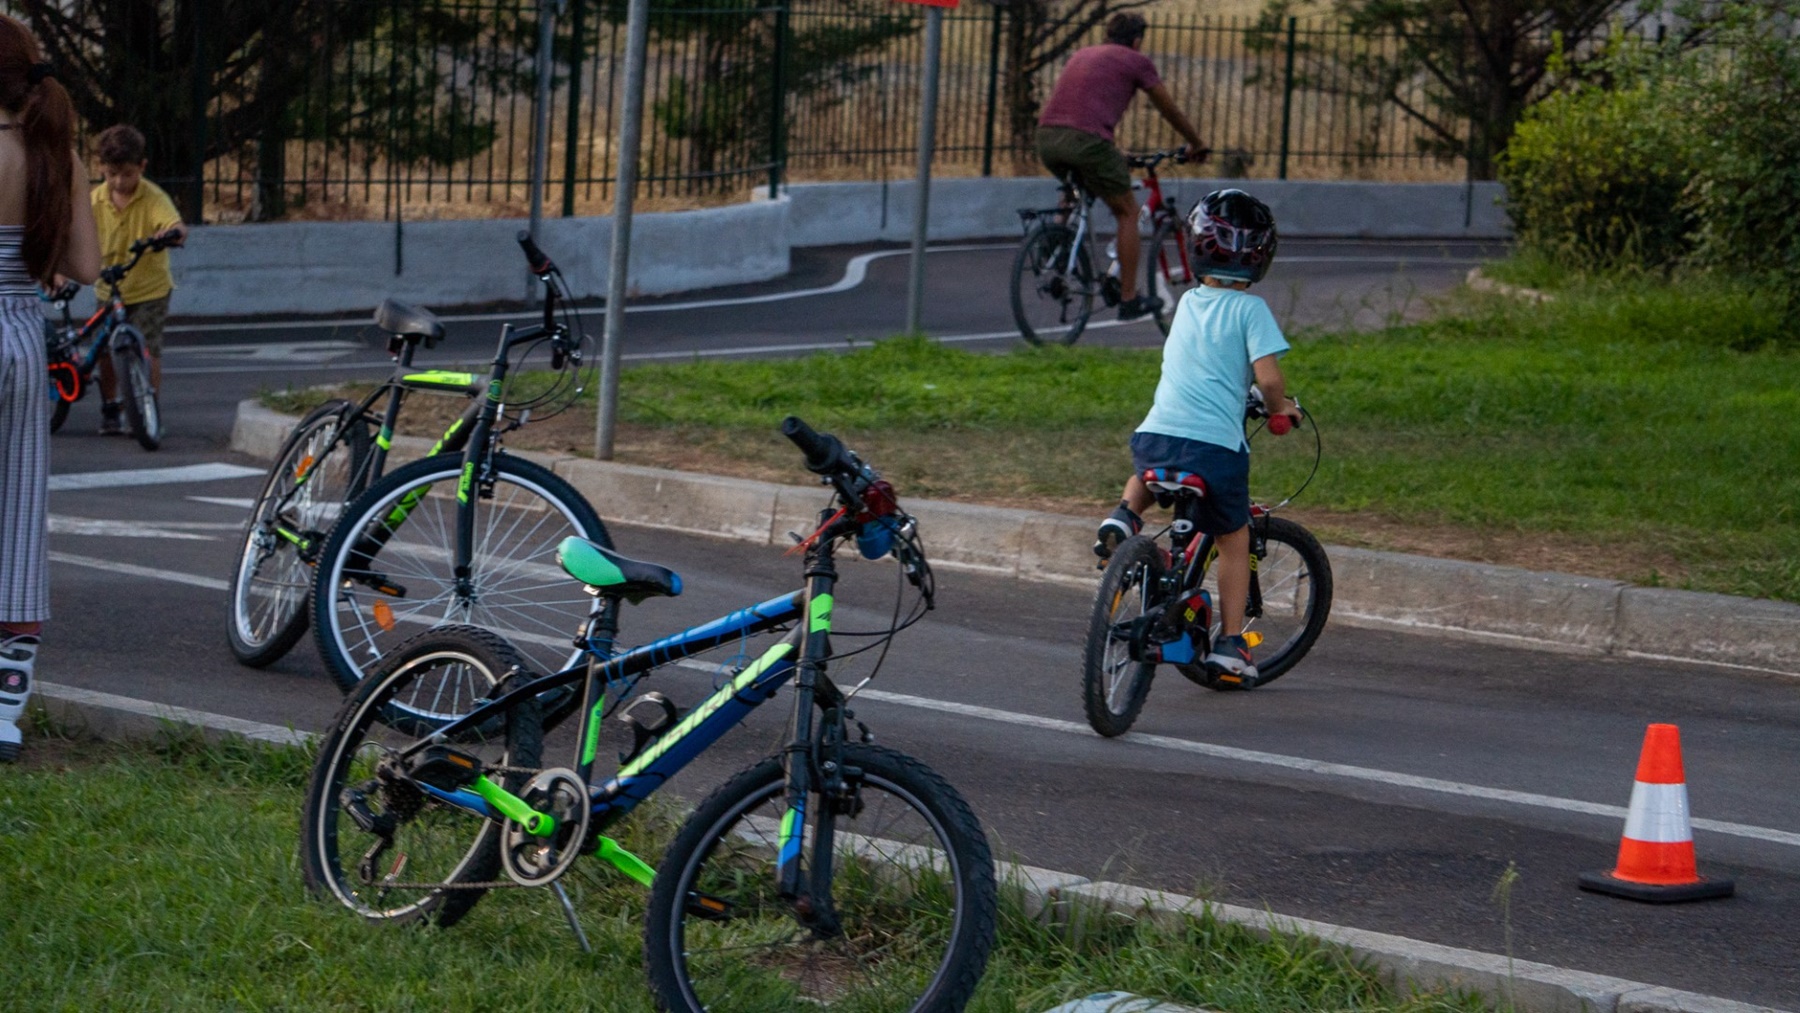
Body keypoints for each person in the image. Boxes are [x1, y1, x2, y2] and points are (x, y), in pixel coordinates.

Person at [1092, 188, 1296, 685]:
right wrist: (1280, 410)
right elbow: (1267, 380)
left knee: (1149, 461)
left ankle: (1124, 516)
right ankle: (1230, 644)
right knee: (1232, 535)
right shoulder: (1252, 311)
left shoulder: (1186, 304)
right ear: (1261, 256)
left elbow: (1204, 365)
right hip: (1215, 450)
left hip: (1156, 437)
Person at [0, 16, 101, 761]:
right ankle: (5, 703)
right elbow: (89, 266)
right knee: (17, 513)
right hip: (22, 339)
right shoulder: (49, 151)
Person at [1035, 11, 1209, 322]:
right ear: (1137, 39)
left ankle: (1056, 244)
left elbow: (1080, 108)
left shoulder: (1083, 54)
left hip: (1047, 137)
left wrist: (1113, 152)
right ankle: (1129, 300)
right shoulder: (1135, 60)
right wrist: (1196, 142)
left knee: (1076, 185)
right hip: (1087, 143)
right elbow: (1168, 108)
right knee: (1128, 212)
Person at [90, 122, 184, 435]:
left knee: (147, 347)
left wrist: (171, 234)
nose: (119, 181)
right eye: (111, 173)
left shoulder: (153, 197)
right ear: (101, 168)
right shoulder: (94, 201)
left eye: (127, 174)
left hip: (149, 289)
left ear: (141, 167)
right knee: (105, 349)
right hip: (109, 286)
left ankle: (148, 410)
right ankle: (110, 405)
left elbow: (175, 225)